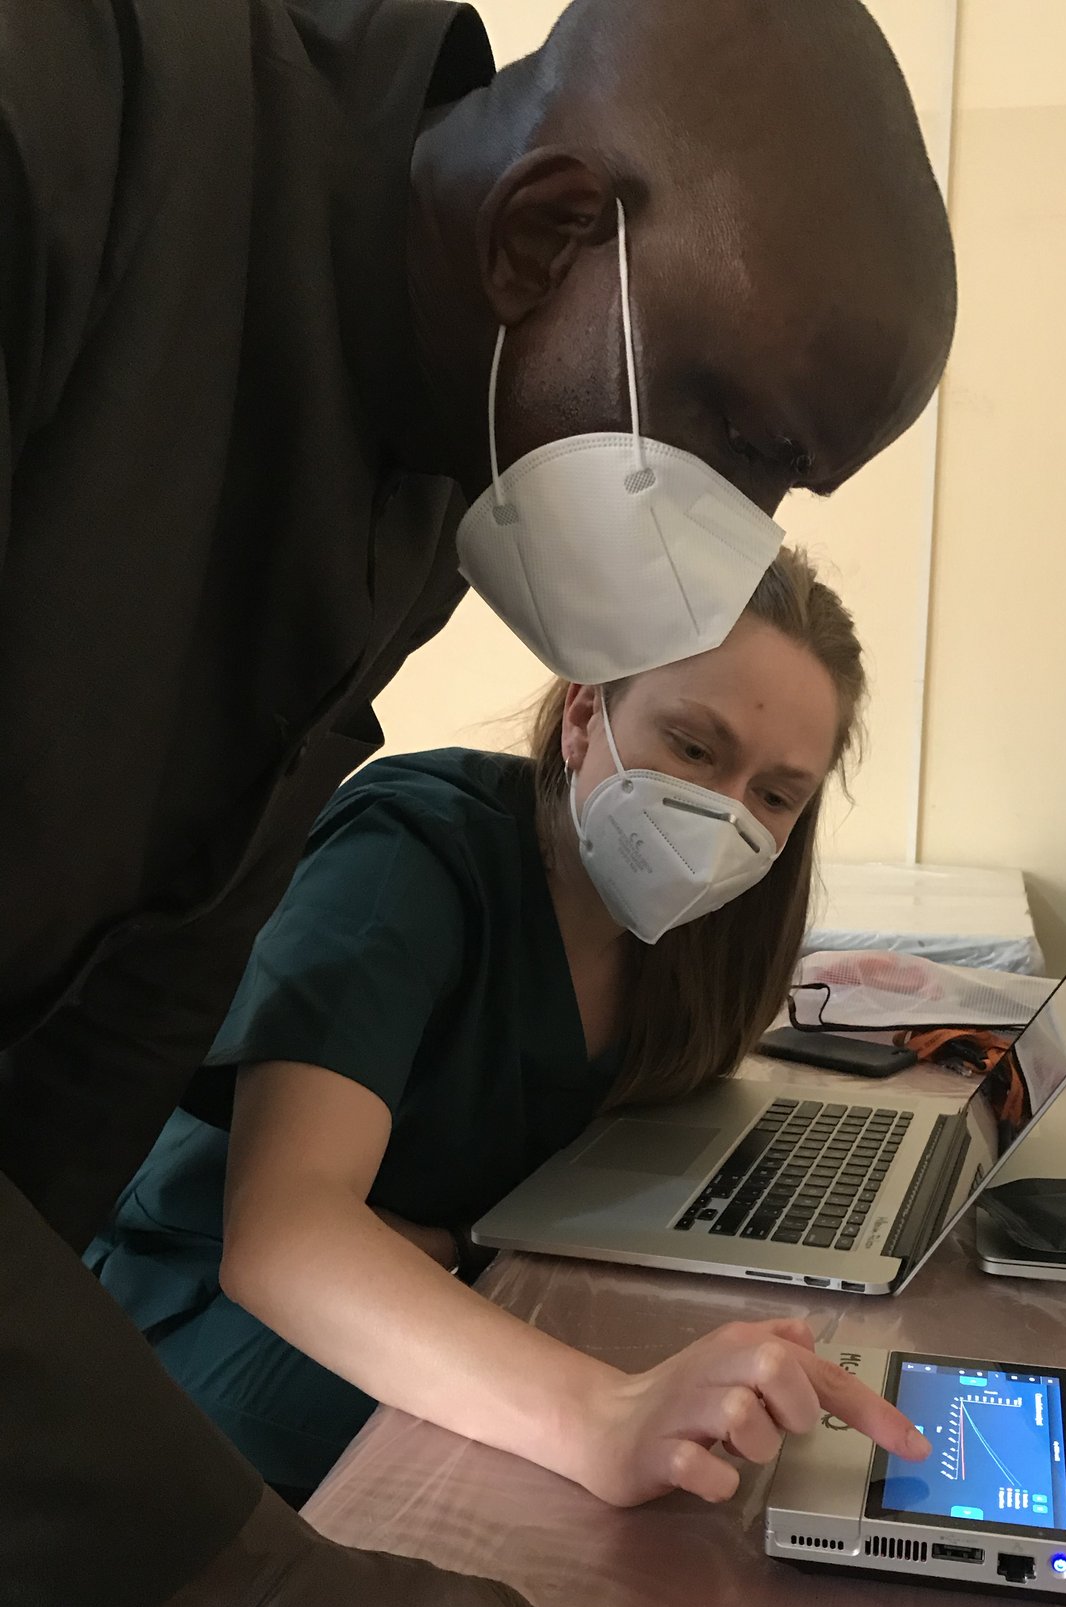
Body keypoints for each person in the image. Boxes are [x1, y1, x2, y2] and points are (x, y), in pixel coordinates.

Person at [0, 0, 957, 1607]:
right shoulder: (72, 117)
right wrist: (241, 1591)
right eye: (730, 437)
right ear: (544, 234)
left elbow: (127, 978)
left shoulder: (442, 452)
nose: (727, 532)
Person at [87, 550, 930, 1502]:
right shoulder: (408, 861)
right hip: (210, 1319)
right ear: (583, 715)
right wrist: (603, 1416)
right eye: (694, 748)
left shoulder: (691, 939)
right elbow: (282, 1236)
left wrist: (457, 1245)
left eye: (775, 794)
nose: (720, 814)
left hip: (453, 1284)